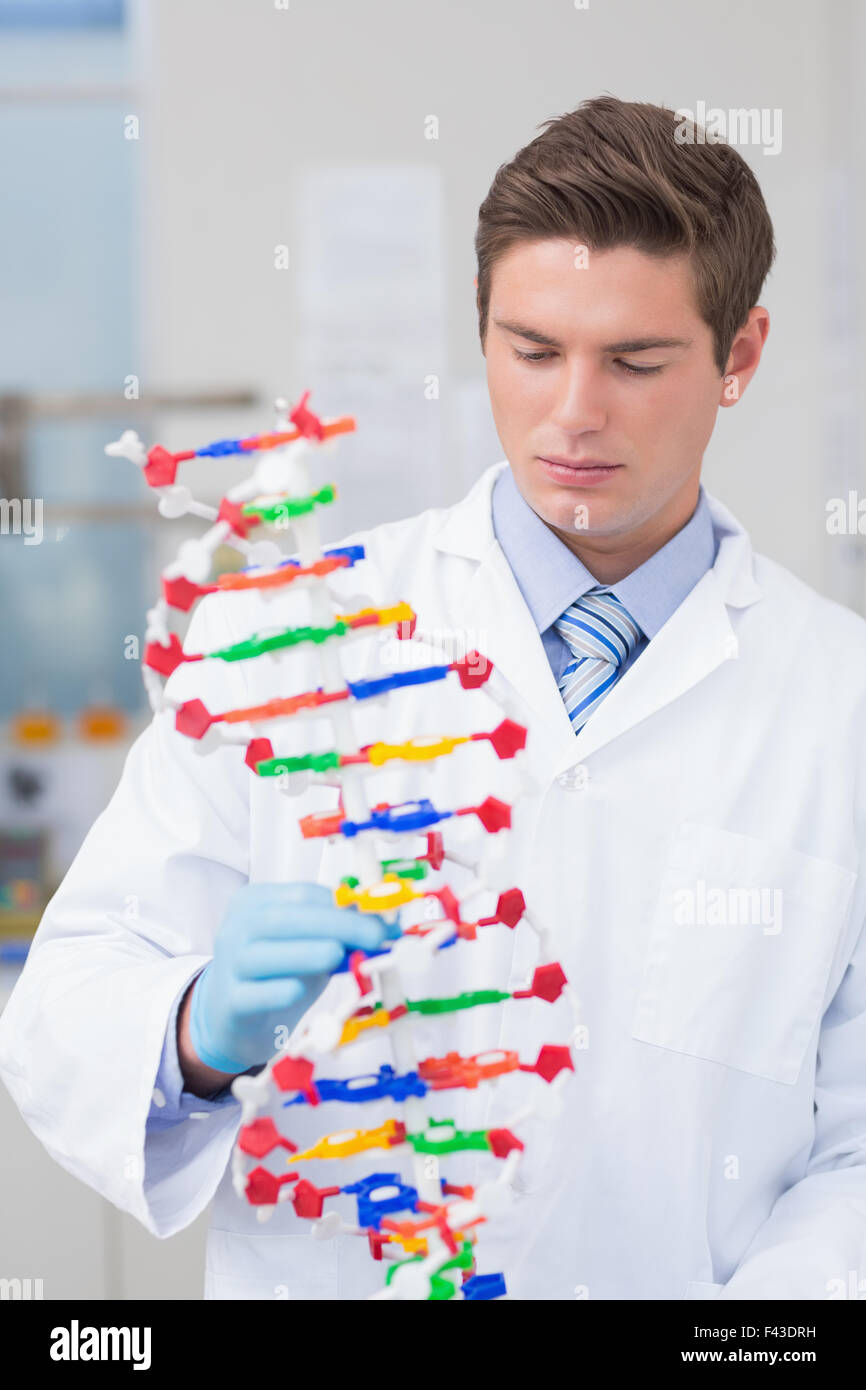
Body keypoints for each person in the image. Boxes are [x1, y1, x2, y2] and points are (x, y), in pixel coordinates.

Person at [1, 95, 864, 1302]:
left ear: (741, 354)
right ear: (481, 329)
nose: (573, 409)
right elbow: (64, 1008)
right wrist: (196, 1031)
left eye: (631, 360)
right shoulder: (284, 643)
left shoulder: (838, 705)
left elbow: (855, 1151)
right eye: (530, 349)